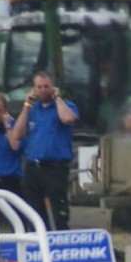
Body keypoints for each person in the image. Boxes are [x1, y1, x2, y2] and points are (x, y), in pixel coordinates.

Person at [10, 70, 78, 231]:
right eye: (39, 87)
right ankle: (38, 238)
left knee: (59, 213)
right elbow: (17, 134)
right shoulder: (33, 110)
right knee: (34, 213)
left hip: (55, 168)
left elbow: (68, 118)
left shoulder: (66, 106)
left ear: (53, 87)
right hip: (33, 167)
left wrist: (57, 98)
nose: (42, 90)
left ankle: (60, 239)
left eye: (46, 86)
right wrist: (27, 105)